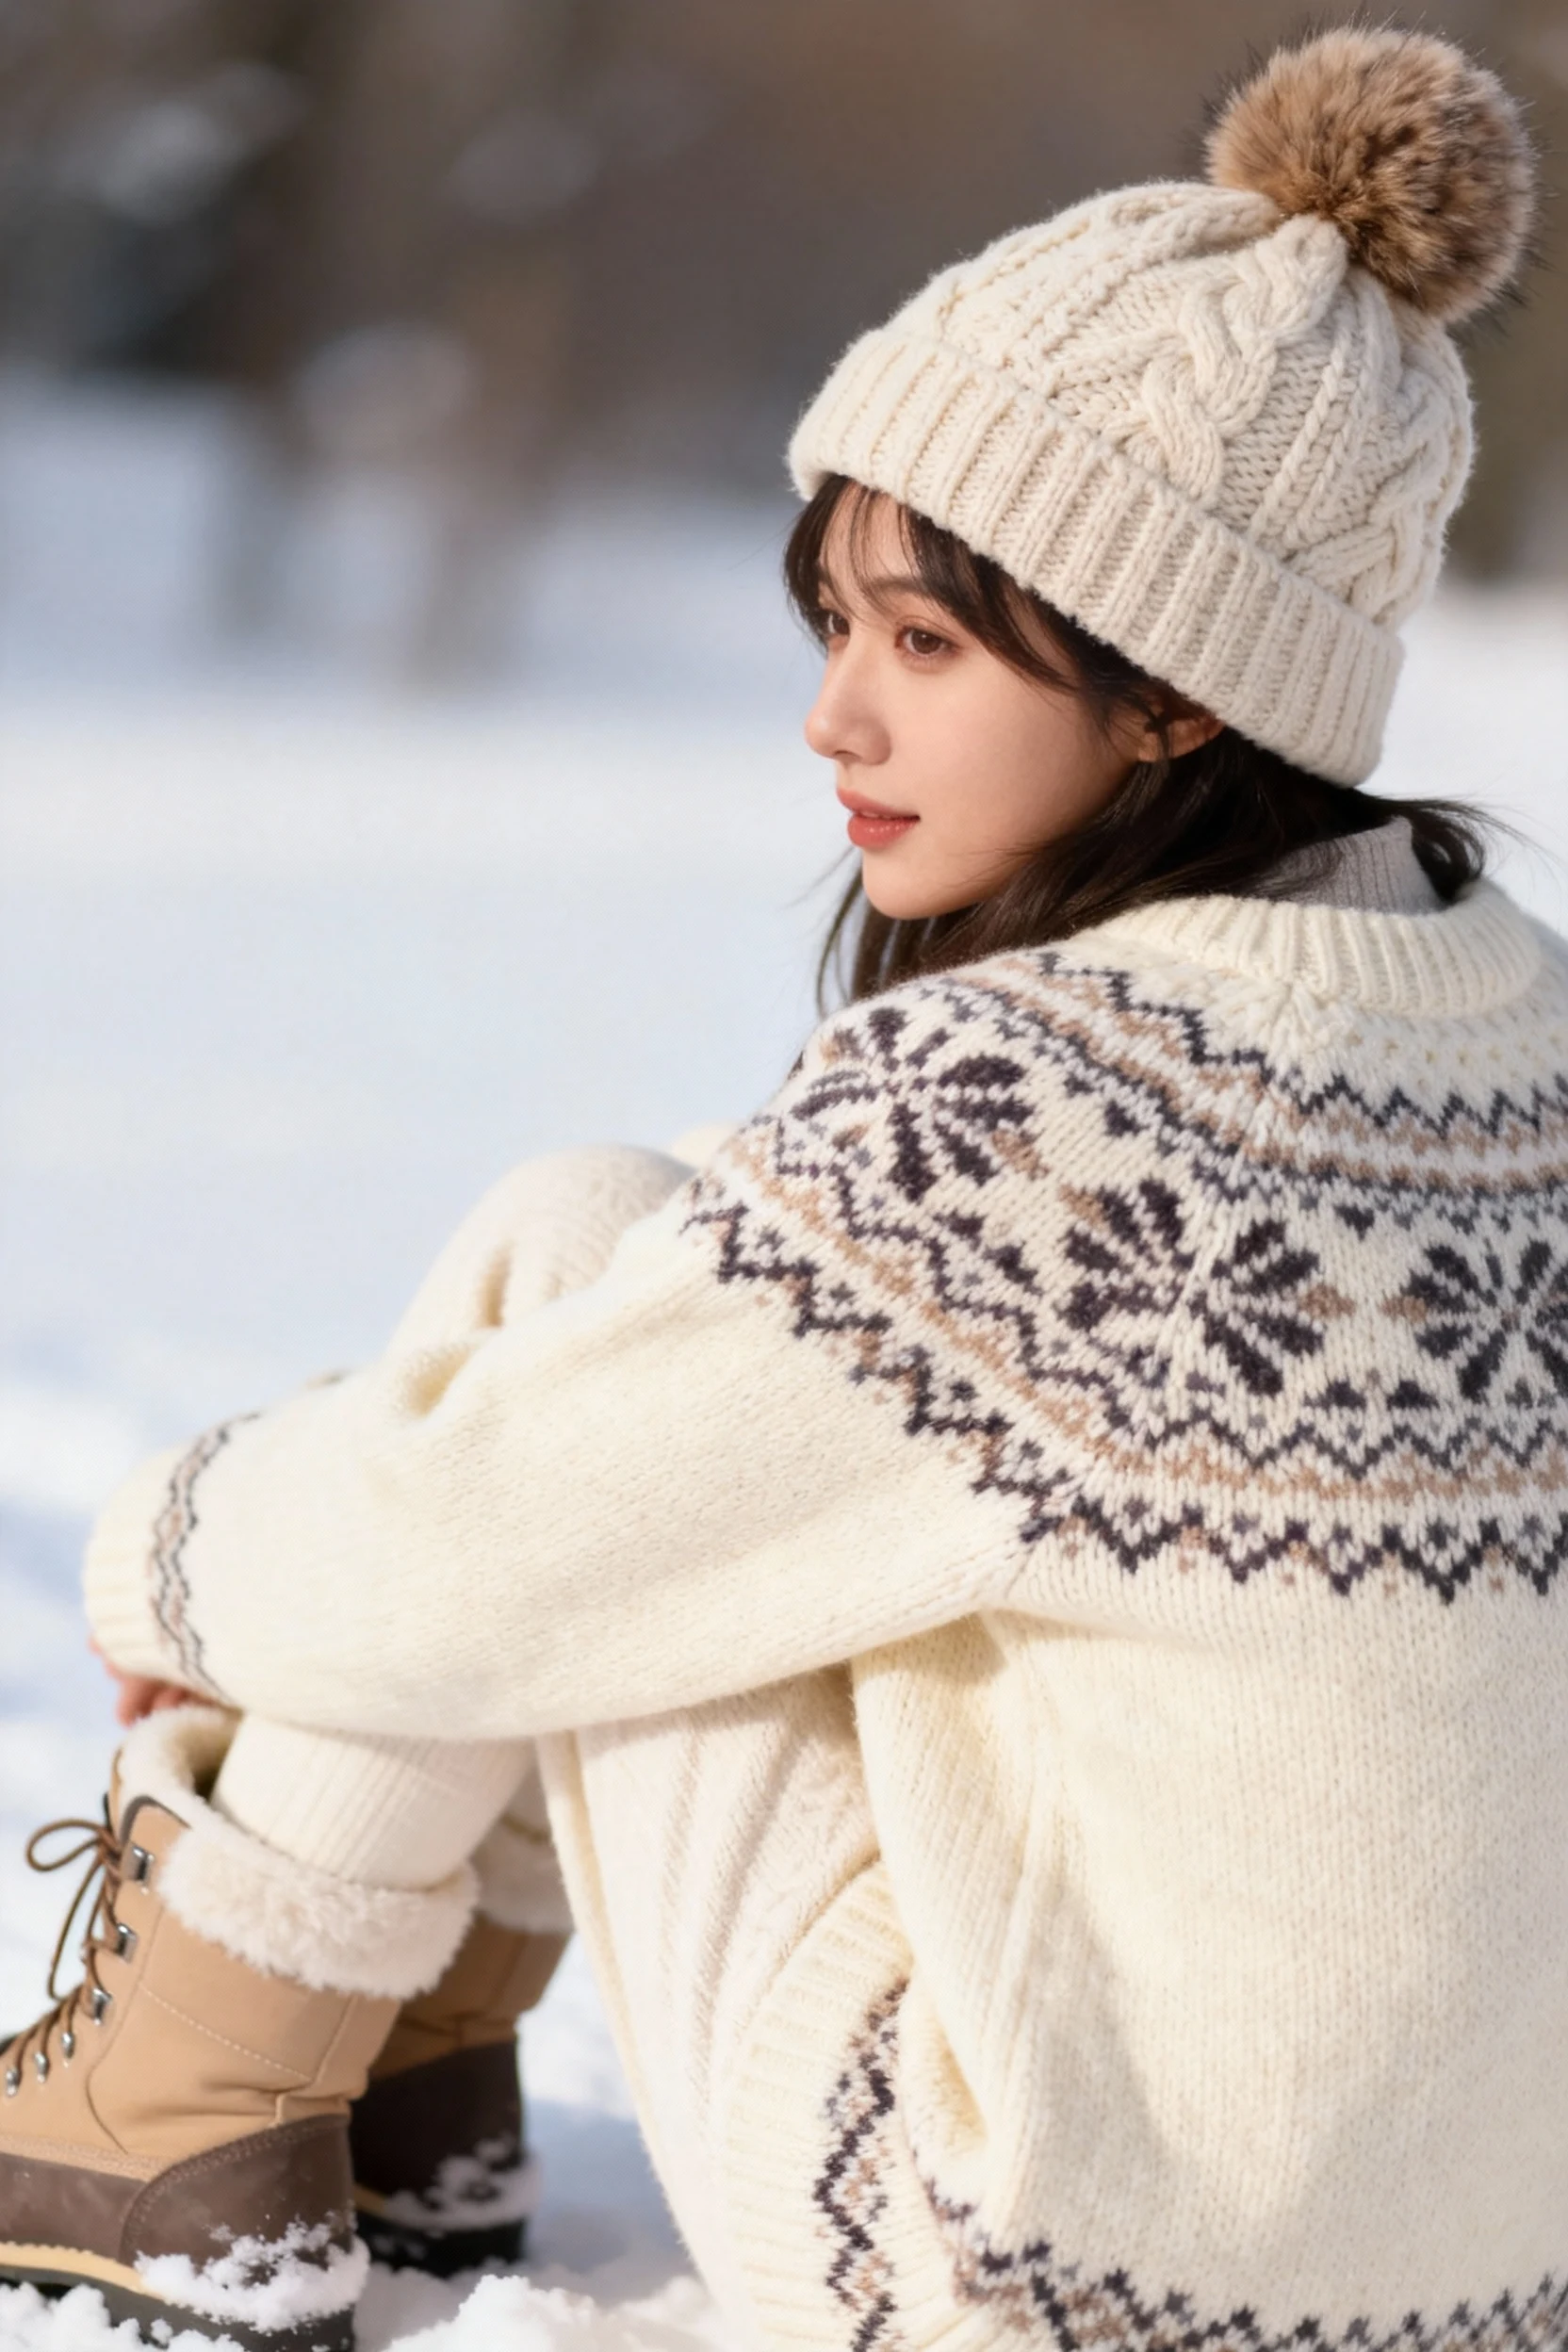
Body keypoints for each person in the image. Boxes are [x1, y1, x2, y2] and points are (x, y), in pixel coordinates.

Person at [1, 25, 1557, 2352]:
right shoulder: (1501, 1031)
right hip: (1476, 2282)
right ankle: (401, 2084)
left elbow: (477, 1543)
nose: (835, 716)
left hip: (1033, 2286)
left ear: (1177, 694)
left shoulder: (1048, 1120)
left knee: (546, 1382)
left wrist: (184, 1558)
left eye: (926, 643)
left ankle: (189, 2105)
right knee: (614, 1271)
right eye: (833, 621)